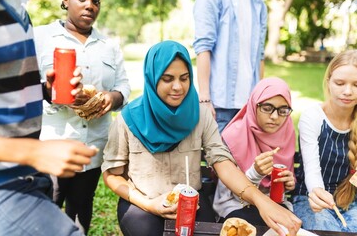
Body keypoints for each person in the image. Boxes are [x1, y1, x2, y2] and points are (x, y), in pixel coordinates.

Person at [102, 40, 301, 236]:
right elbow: (112, 175)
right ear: (153, 78)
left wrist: (261, 201)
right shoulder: (128, 119)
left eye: (184, 77)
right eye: (168, 79)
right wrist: (150, 204)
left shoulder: (200, 115)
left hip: (192, 202)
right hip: (142, 205)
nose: (178, 87)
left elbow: (222, 163)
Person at [0, 0, 98, 235]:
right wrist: (33, 152)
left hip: (29, 177)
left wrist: (46, 90)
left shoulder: (18, 9)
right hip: (5, 185)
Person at [33, 0, 131, 234]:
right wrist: (50, 91)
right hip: (53, 144)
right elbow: (23, 87)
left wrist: (112, 97)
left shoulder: (109, 45)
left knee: (82, 207)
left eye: (96, 1)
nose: (90, 5)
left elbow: (124, 86)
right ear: (65, 0)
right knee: (48, 207)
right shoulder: (40, 38)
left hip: (92, 146)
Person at [213, 77, 297, 226]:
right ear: (253, 105)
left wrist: (289, 182)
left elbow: (282, 189)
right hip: (235, 205)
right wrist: (256, 173)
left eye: (283, 110)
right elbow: (230, 192)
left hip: (275, 203)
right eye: (267, 108)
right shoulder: (233, 135)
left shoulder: (287, 132)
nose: (274, 116)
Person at [292, 50, 357, 232]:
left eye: (356, 84)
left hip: (351, 199)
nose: (347, 91)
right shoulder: (313, 117)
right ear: (328, 82)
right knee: (327, 230)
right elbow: (312, 173)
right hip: (311, 198)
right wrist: (317, 193)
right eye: (340, 83)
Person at [193, 0, 268, 132]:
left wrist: (259, 100)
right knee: (220, 153)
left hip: (250, 108)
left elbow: (260, 56)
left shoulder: (259, 4)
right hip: (219, 107)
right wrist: (204, 99)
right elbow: (203, 47)